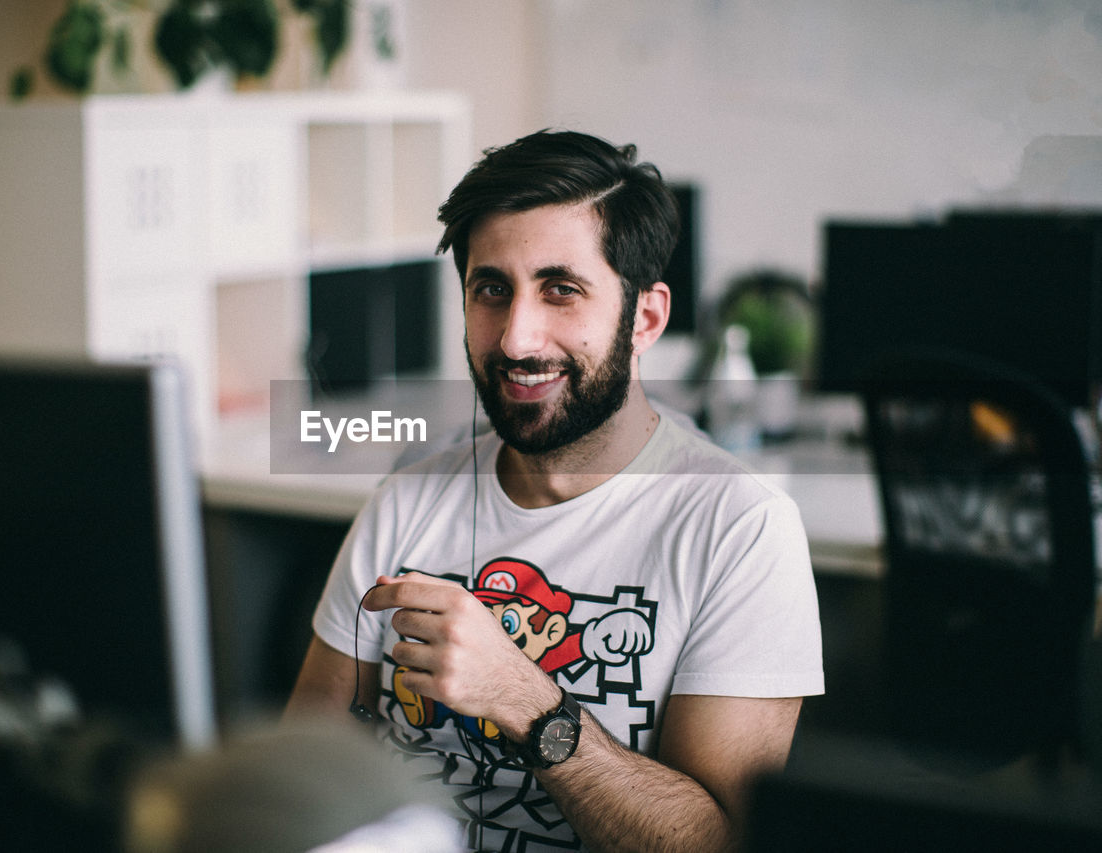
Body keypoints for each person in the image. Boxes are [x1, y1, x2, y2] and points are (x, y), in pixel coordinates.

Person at [285, 129, 824, 851]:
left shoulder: (741, 528)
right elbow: (299, 782)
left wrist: (526, 699)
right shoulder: (406, 503)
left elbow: (717, 843)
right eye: (491, 290)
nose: (515, 338)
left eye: (560, 290)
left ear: (646, 317)